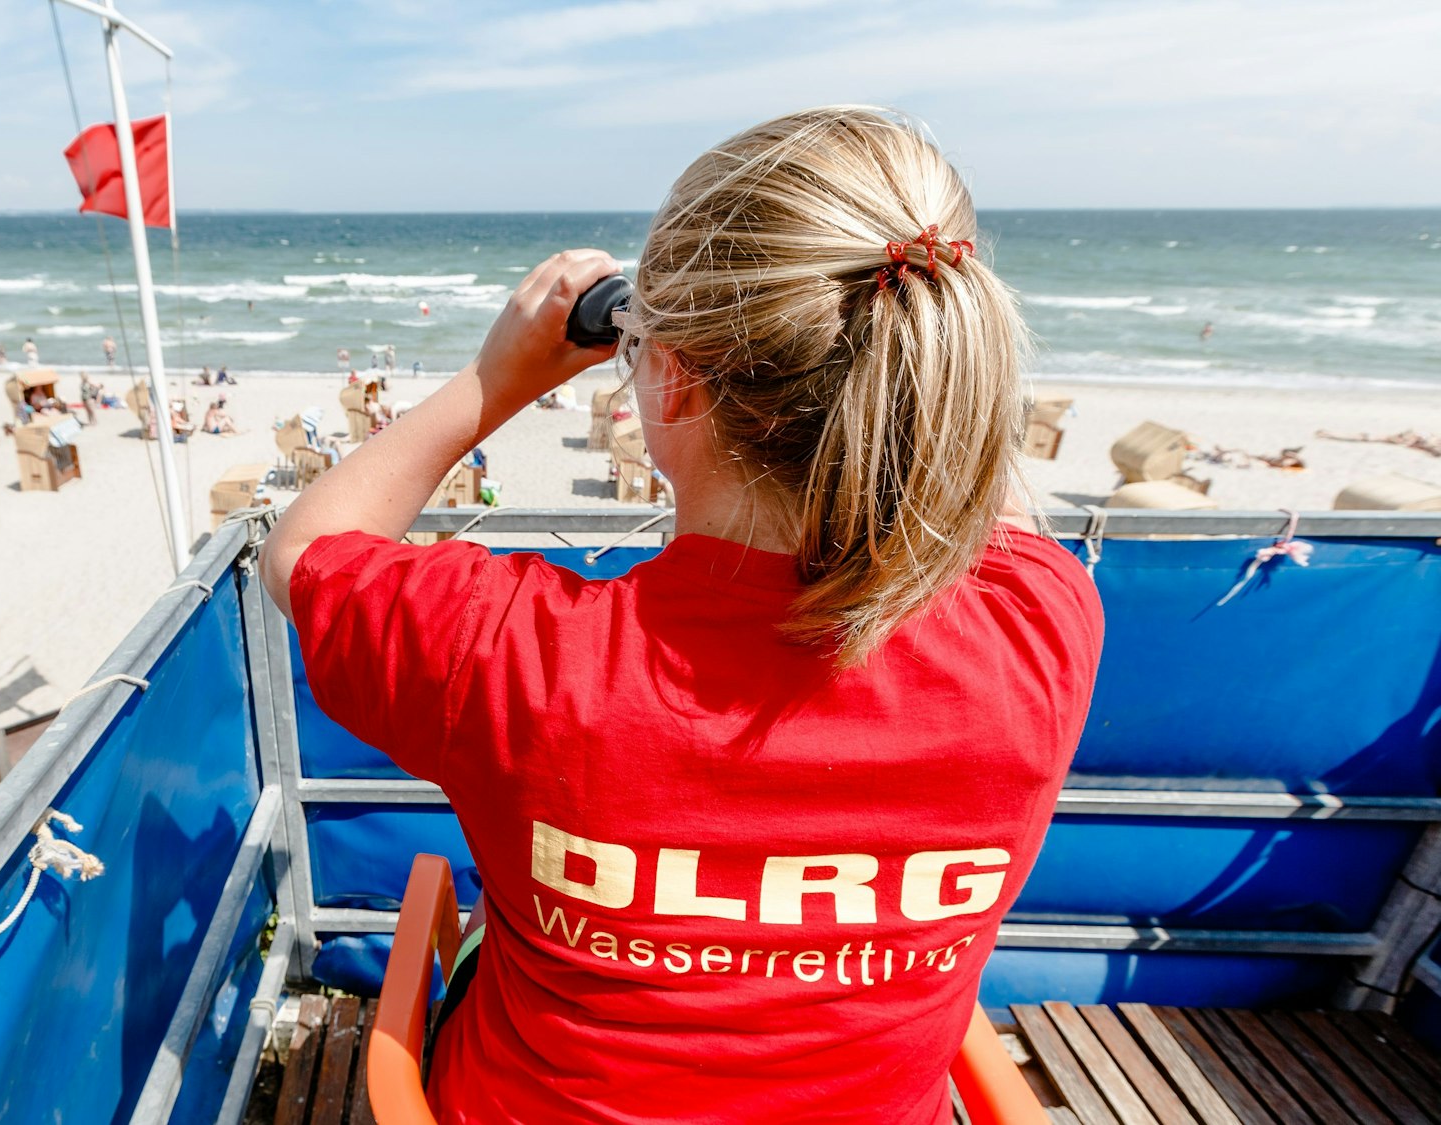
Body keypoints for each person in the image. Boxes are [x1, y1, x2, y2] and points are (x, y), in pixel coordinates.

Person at [259, 107, 1103, 1124]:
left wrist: (499, 377)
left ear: (672, 375)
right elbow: (985, 496)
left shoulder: (512, 650)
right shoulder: (1036, 628)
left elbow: (303, 552)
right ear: (944, 353)